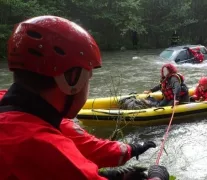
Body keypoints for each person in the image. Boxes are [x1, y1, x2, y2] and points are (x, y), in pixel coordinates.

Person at [0, 15, 169, 180]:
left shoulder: (29, 113)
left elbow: (88, 147)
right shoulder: (45, 146)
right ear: (71, 79)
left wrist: (129, 150)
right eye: (88, 79)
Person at [0, 87, 156, 168]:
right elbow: (95, 151)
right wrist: (134, 149)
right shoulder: (56, 130)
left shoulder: (7, 101)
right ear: (71, 82)